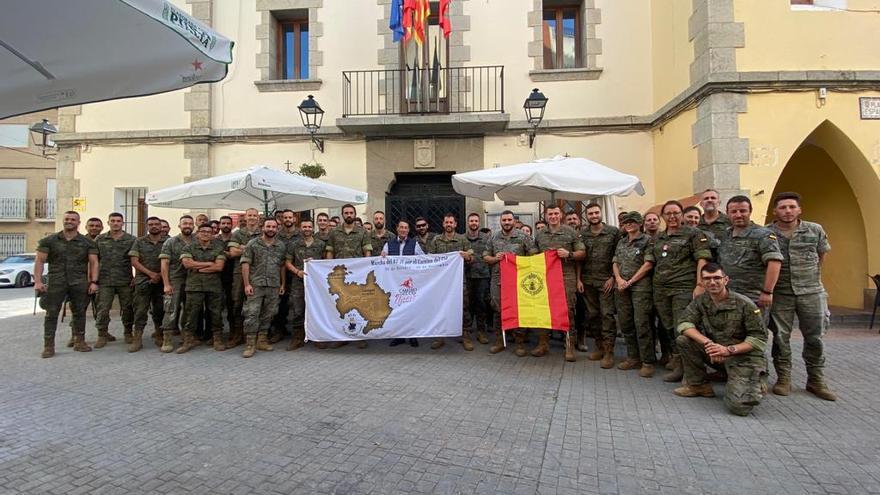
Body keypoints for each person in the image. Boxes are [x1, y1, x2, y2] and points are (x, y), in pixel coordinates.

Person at [673, 263, 769, 417]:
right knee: (684, 340)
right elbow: (684, 324)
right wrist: (708, 344)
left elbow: (759, 339)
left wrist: (728, 350)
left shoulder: (745, 304)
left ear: (726, 280)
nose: (712, 282)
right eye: (707, 279)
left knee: (739, 408)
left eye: (717, 278)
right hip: (716, 352)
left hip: (743, 356)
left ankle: (756, 381)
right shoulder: (701, 301)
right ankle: (698, 385)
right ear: (702, 282)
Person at [767, 192, 836, 401]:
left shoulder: (814, 230)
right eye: (783, 207)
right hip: (781, 293)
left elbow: (821, 256)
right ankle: (783, 378)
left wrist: (809, 278)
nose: (787, 211)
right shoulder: (767, 233)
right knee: (780, 337)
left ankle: (816, 379)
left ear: (799, 210)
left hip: (811, 291)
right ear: (775, 211)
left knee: (815, 337)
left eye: (791, 207)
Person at [651, 200, 712, 382]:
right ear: (663, 216)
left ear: (682, 214)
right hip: (661, 289)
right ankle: (678, 364)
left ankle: (692, 372)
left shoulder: (693, 234)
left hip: (683, 288)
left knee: (683, 328)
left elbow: (702, 258)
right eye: (668, 213)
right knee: (668, 327)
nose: (672, 217)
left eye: (676, 213)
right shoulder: (660, 238)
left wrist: (700, 284)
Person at [34, 211, 98, 358]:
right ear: (63, 221)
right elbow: (39, 261)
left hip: (79, 282)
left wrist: (94, 282)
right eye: (67, 219)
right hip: (56, 282)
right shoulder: (49, 241)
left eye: (73, 219)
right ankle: (49, 346)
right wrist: (37, 282)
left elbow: (94, 262)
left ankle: (79, 341)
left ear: (78, 223)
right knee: (51, 313)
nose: (69, 221)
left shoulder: (87, 242)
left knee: (80, 313)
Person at [534, 205, 585, 362]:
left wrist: (568, 254)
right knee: (543, 309)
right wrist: (539, 254)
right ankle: (543, 343)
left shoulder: (571, 232)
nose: (553, 216)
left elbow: (582, 253)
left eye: (556, 213)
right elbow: (533, 251)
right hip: (545, 276)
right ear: (546, 215)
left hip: (566, 276)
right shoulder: (541, 234)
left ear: (561, 215)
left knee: (567, 310)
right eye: (550, 214)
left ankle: (569, 345)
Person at [483, 210, 537, 356]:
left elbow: (534, 255)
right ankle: (500, 341)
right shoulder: (493, 237)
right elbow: (485, 256)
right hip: (498, 279)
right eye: (504, 220)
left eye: (509, 220)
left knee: (518, 310)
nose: (506, 222)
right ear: (501, 221)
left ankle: (519, 342)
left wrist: (518, 261)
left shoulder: (523, 236)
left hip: (518, 280)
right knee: (497, 309)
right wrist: (495, 259)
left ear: (514, 221)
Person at [717, 195, 782, 314]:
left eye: (743, 211)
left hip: (753, 297)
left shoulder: (763, 234)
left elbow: (774, 262)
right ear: (727, 213)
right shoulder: (725, 235)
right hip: (728, 295)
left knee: (755, 331)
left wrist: (767, 292)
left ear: (750, 212)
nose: (738, 215)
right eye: (733, 211)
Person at [612, 212, 656, 377]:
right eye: (626, 222)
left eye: (632, 222)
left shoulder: (647, 240)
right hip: (622, 287)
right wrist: (618, 279)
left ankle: (647, 361)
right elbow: (615, 262)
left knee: (642, 323)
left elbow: (648, 264)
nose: (629, 225)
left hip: (640, 287)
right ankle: (633, 357)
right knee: (626, 323)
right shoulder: (622, 242)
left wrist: (630, 282)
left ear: (639, 223)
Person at [577, 202, 620, 367]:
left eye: (596, 213)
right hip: (588, 281)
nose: (594, 216)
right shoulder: (583, 234)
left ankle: (609, 352)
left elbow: (618, 256)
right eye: (590, 214)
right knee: (592, 315)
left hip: (606, 281)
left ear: (600, 213)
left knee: (607, 315)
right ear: (587, 216)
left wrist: (613, 277)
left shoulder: (613, 232)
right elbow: (580, 259)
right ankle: (599, 346)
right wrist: (579, 279)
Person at [325, 204, 372, 348]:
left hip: (356, 275)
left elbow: (367, 252)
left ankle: (359, 336)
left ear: (355, 214)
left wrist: (365, 268)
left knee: (358, 304)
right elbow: (330, 251)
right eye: (346, 213)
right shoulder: (334, 232)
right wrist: (327, 269)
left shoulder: (363, 232)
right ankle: (342, 335)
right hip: (339, 276)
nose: (349, 215)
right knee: (340, 305)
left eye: (351, 212)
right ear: (342, 215)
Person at [240, 218, 287, 358]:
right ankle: (250, 344)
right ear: (263, 227)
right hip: (256, 284)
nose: (271, 229)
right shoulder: (253, 244)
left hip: (273, 284)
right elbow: (245, 264)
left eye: (274, 227)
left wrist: (282, 283)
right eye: (268, 226)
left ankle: (262, 339)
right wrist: (246, 284)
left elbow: (282, 266)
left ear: (277, 229)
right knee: (252, 313)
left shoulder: (281, 246)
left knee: (269, 312)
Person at [177, 223, 226, 353]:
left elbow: (219, 267)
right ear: (198, 233)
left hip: (213, 286)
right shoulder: (189, 247)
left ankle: (217, 339)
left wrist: (198, 267)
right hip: (194, 286)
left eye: (209, 232)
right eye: (203, 231)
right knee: (191, 314)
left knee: (215, 314)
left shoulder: (218, 248)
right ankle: (188, 340)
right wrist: (209, 263)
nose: (205, 233)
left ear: (212, 234)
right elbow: (187, 264)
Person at [428, 213, 474, 350]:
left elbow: (472, 257)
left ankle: (465, 337)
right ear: (443, 224)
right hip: (441, 283)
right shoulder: (436, 240)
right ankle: (440, 337)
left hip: (459, 281)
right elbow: (430, 258)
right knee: (440, 308)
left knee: (463, 307)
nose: (448, 225)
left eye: (451, 222)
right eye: (446, 222)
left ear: (455, 224)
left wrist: (467, 257)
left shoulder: (462, 240)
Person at [94, 212, 136, 349]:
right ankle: (102, 334)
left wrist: (135, 277)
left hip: (125, 280)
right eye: (113, 221)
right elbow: (93, 261)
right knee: (103, 309)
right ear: (108, 223)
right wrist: (93, 280)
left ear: (123, 223)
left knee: (128, 308)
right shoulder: (100, 239)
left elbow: (135, 260)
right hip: (105, 280)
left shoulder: (131, 240)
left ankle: (128, 332)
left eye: (118, 221)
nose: (115, 223)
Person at [285, 218, 326, 350]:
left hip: (316, 282)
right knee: (298, 309)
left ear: (313, 228)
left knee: (317, 308)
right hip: (298, 281)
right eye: (304, 227)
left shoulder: (320, 244)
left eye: (309, 226)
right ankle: (298, 337)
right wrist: (297, 272)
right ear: (300, 228)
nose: (307, 229)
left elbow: (326, 262)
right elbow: (287, 262)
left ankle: (317, 337)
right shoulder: (294, 244)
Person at [383, 219, 424, 348]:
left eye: (406, 228)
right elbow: (382, 260)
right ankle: (398, 336)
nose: (403, 230)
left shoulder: (414, 244)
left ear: (408, 230)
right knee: (396, 308)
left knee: (411, 308)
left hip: (409, 282)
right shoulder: (388, 244)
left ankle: (412, 336)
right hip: (393, 283)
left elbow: (423, 258)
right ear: (397, 229)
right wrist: (383, 256)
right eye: (401, 227)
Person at [225, 208, 262, 348]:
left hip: (258, 272)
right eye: (249, 215)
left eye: (254, 215)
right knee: (237, 303)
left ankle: (255, 335)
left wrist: (244, 248)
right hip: (239, 273)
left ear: (258, 218)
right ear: (245, 218)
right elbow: (233, 252)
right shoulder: (238, 233)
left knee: (257, 305)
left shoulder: (262, 233)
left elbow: (266, 251)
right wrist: (252, 249)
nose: (252, 218)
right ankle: (237, 334)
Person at [158, 215, 195, 353]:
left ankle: (186, 337)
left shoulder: (197, 241)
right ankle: (167, 338)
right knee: (171, 309)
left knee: (189, 310)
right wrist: (166, 283)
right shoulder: (171, 242)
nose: (188, 226)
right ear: (179, 226)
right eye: (185, 223)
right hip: (175, 280)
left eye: (190, 223)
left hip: (193, 280)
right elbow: (164, 264)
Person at [129, 216, 166, 350]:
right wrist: (151, 274)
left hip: (163, 281)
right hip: (143, 281)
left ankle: (159, 333)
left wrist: (160, 275)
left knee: (160, 309)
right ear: (147, 226)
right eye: (151, 224)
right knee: (140, 310)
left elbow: (172, 262)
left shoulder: (168, 241)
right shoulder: (139, 242)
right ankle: (137, 338)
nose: (154, 226)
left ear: (161, 226)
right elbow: (134, 261)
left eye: (157, 224)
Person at [272, 209, 300, 344]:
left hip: (297, 273)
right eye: (285, 217)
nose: (288, 219)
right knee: (280, 303)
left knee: (297, 303)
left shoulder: (301, 234)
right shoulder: (276, 235)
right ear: (282, 219)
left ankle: (299, 332)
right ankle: (279, 330)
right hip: (280, 273)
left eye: (290, 217)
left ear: (294, 219)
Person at [465, 212, 492, 345]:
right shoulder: (462, 238)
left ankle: (481, 331)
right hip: (467, 276)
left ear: (479, 223)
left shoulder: (487, 238)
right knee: (467, 305)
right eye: (471, 221)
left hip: (482, 275)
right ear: (468, 223)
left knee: (481, 304)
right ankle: (467, 332)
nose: (474, 223)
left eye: (476, 221)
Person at [216, 215, 236, 342]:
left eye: (228, 223)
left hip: (232, 275)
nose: (226, 225)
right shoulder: (214, 240)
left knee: (232, 304)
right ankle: (215, 333)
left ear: (232, 225)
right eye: (223, 223)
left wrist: (227, 254)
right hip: (216, 276)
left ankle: (233, 331)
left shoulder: (236, 238)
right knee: (216, 305)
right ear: (219, 225)